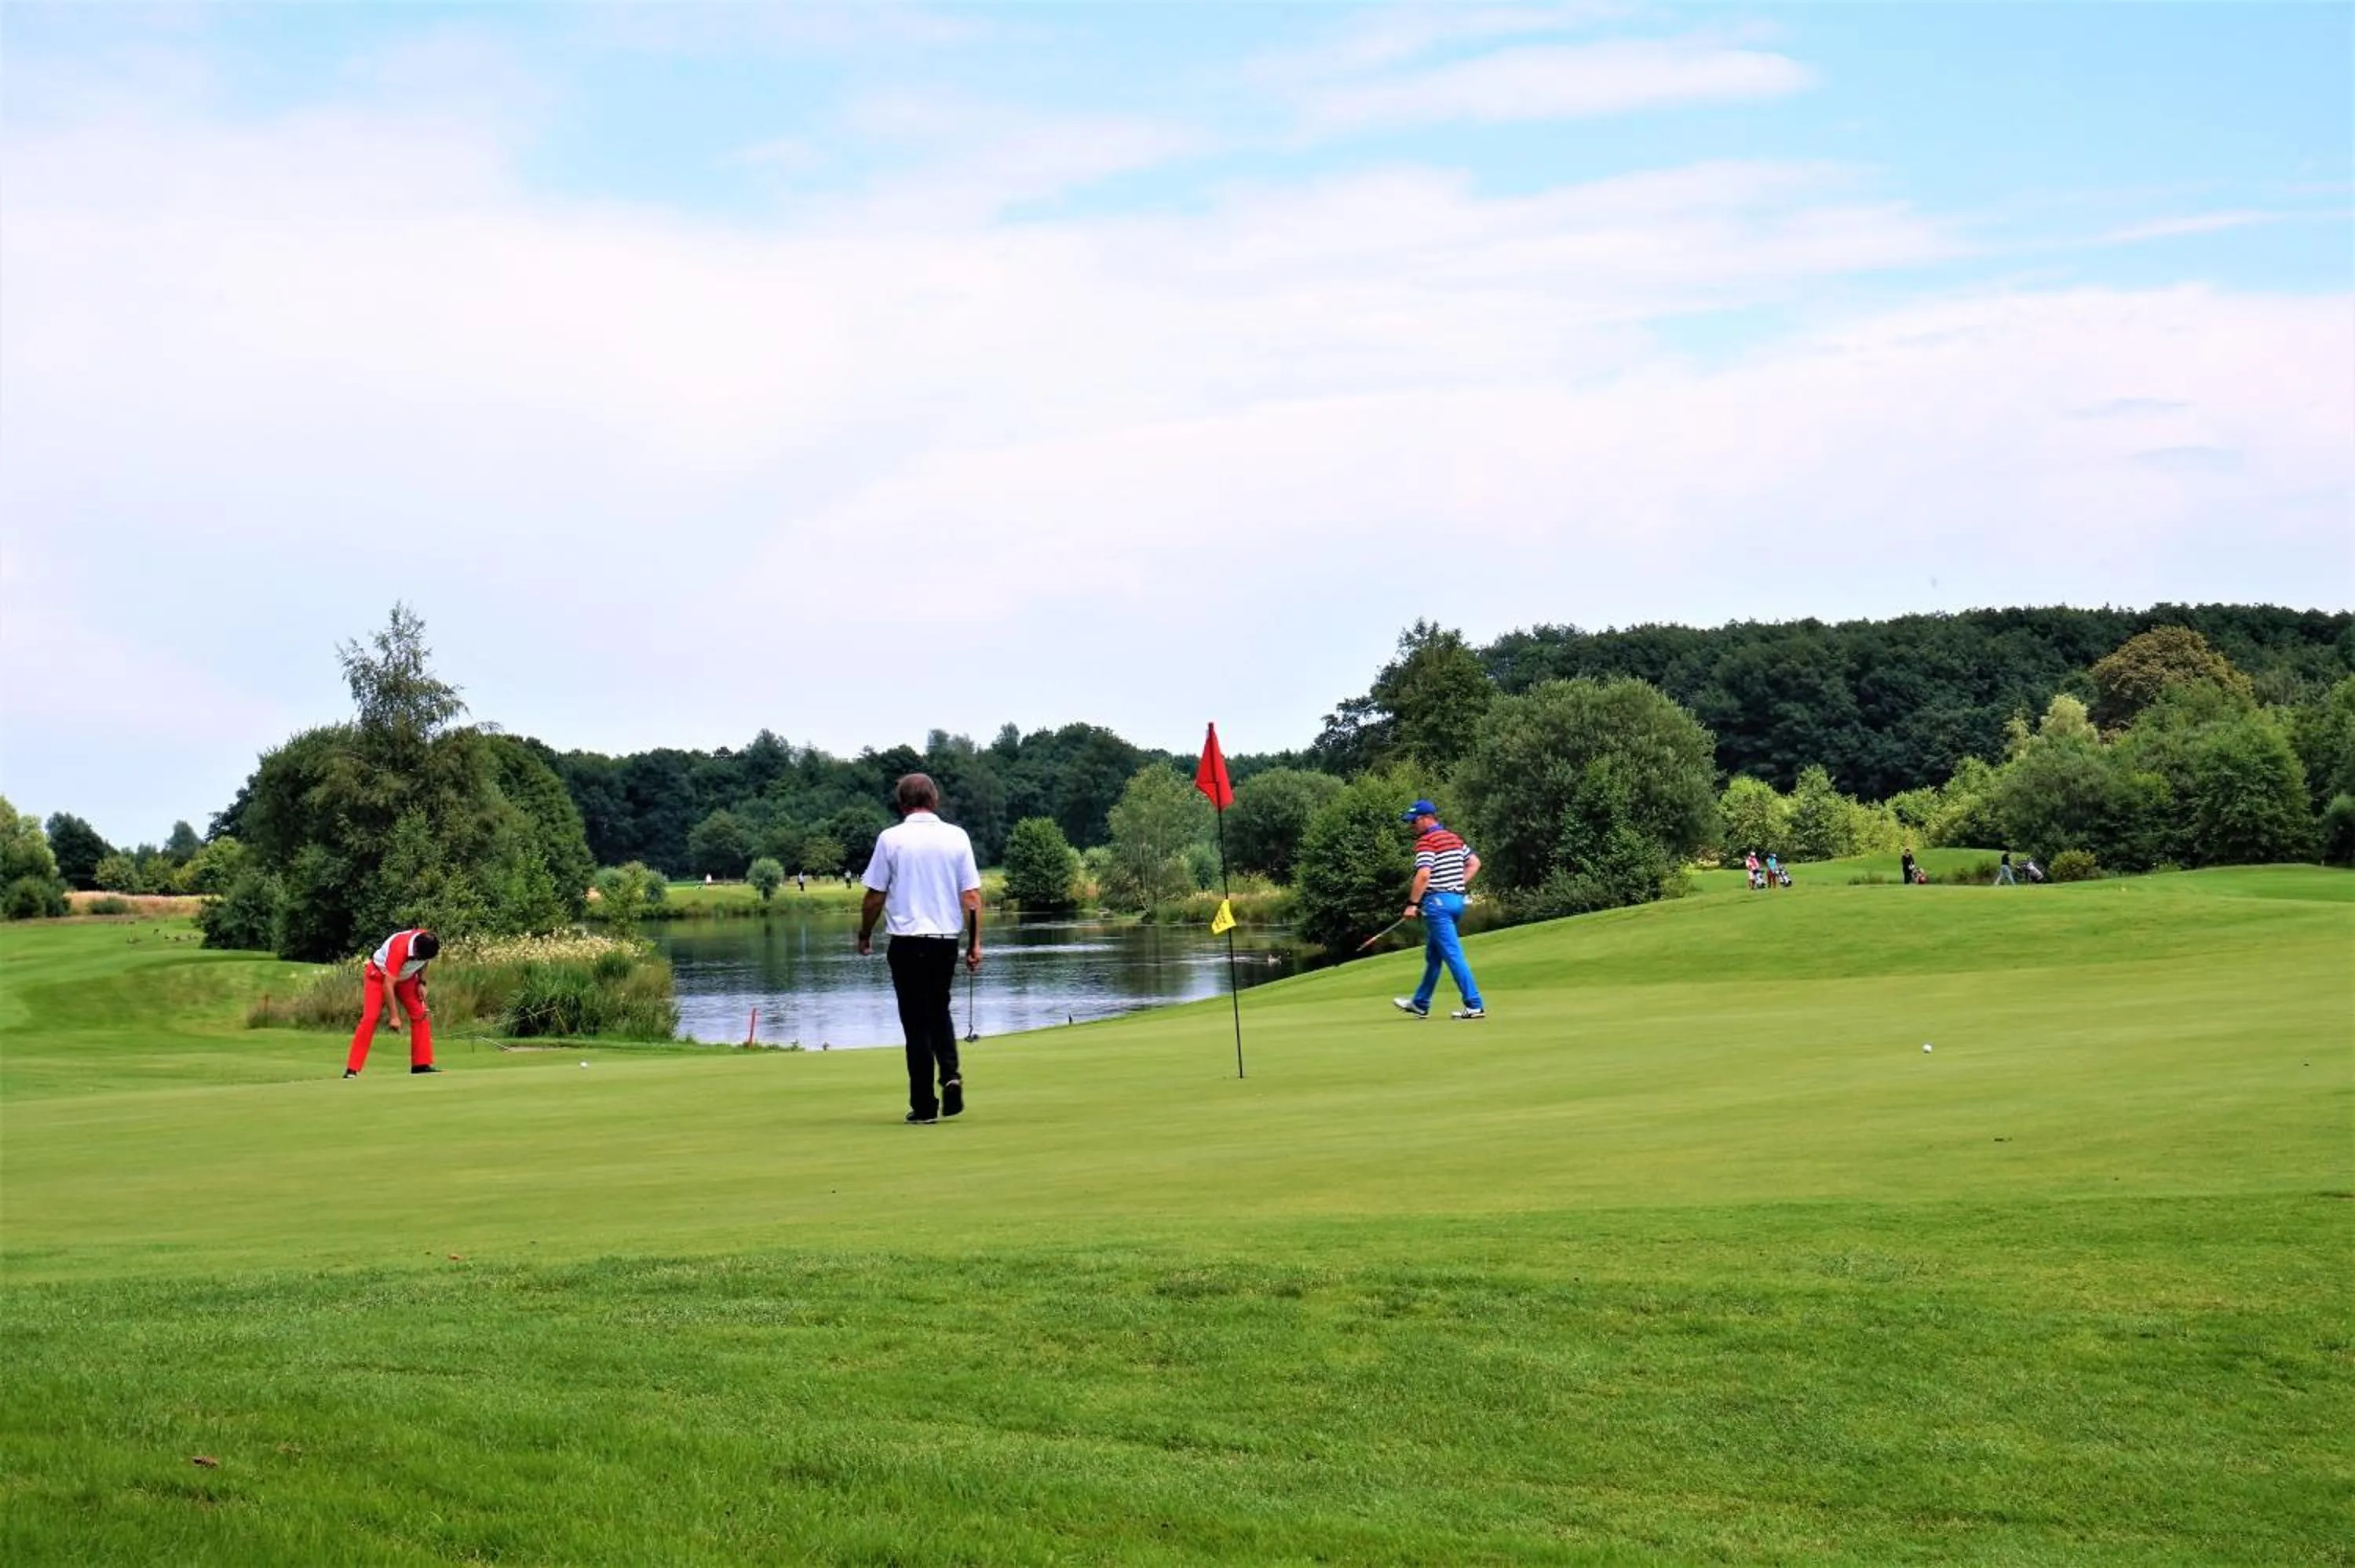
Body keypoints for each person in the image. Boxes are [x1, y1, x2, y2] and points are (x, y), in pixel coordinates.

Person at [857, 774, 983, 1124]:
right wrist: (975, 945)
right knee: (939, 1008)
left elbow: (874, 897)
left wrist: (865, 933)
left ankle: (925, 1105)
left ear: (902, 804)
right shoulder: (957, 837)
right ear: (935, 799)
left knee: (915, 1023)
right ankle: (951, 1073)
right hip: (945, 941)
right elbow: (972, 899)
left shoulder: (891, 839)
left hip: (907, 943)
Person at [1391, 798, 1485, 1021]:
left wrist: (1412, 905)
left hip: (1437, 905)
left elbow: (1423, 875)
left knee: (1453, 955)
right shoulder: (1453, 838)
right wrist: (1457, 884)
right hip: (1455, 902)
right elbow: (1474, 863)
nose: (1411, 827)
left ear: (1425, 819)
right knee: (1434, 956)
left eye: (1413, 822)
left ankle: (1474, 1004)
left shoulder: (1427, 841)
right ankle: (1421, 1004)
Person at [344, 928, 442, 1078]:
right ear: (415, 947)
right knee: (370, 1018)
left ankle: (421, 1065)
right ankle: (352, 1069)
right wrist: (394, 1016)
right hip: (378, 976)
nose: (420, 959)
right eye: (419, 956)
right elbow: (388, 985)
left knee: (421, 1014)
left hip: (406, 979)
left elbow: (424, 962)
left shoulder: (427, 943)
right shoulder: (400, 947)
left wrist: (421, 982)